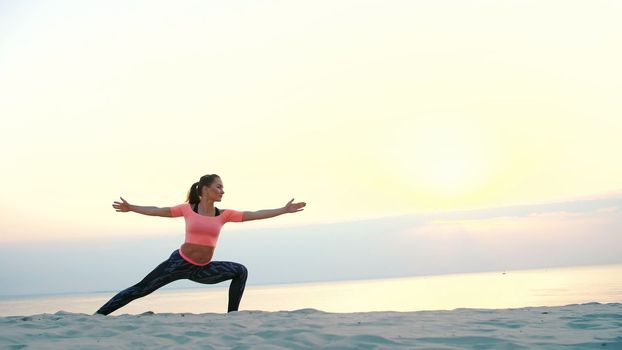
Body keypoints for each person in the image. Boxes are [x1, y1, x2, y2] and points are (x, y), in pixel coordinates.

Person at [95, 174, 306, 315]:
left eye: (223, 187)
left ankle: (232, 316)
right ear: (205, 189)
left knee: (240, 271)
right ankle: (99, 315)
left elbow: (255, 215)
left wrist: (283, 210)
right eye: (219, 187)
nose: (223, 191)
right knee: (141, 289)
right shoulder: (188, 209)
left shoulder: (224, 214)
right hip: (178, 263)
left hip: (202, 270)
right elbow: (158, 210)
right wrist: (131, 207)